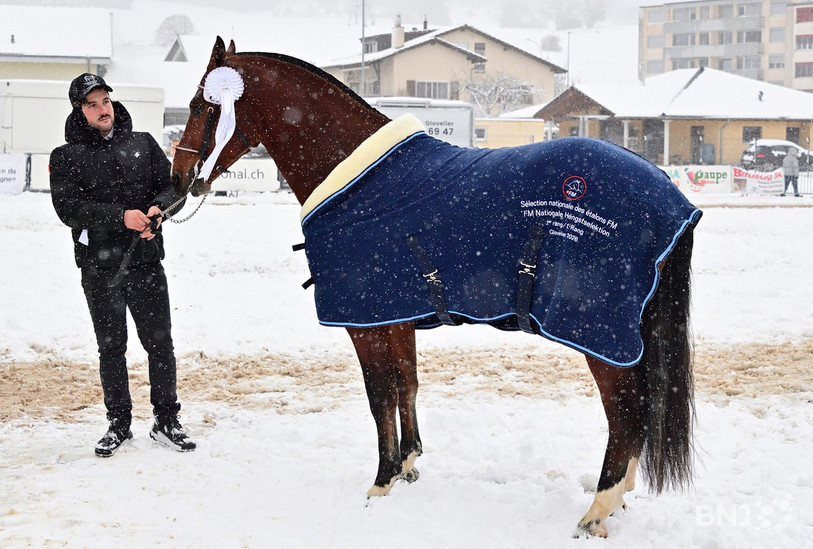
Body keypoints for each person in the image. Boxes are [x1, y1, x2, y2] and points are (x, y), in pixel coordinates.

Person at [50, 73, 195, 457]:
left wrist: (157, 211)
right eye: (92, 104)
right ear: (79, 111)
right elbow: (69, 210)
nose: (102, 110)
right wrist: (121, 216)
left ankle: (166, 421)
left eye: (105, 101)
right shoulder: (65, 157)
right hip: (100, 270)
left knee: (160, 345)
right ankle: (119, 424)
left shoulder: (143, 144)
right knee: (111, 350)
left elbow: (173, 189)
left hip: (146, 264)